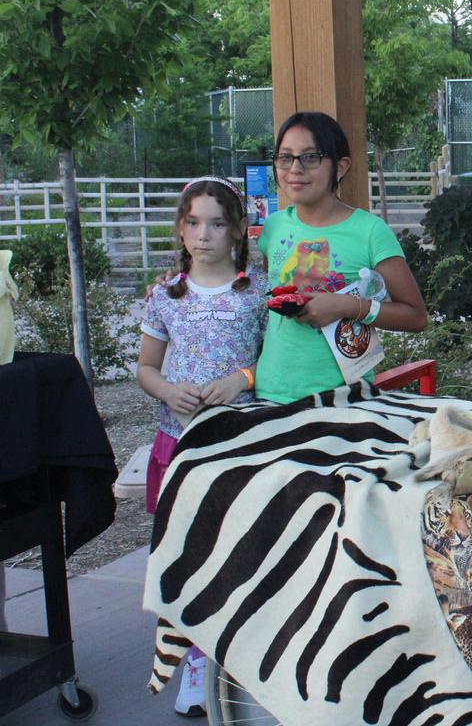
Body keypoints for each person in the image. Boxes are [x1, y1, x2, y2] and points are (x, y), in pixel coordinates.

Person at [136, 175, 268, 717]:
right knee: (188, 554)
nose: (203, 234)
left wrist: (242, 378)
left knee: (241, 551)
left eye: (216, 223)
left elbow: (276, 360)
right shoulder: (165, 295)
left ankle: (242, 658)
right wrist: (168, 390)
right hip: (181, 446)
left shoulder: (257, 292)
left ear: (237, 230)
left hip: (242, 444)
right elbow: (146, 367)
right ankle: (193, 658)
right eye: (193, 222)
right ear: (180, 229)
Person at [255, 111, 427, 403]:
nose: (295, 168)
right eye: (285, 157)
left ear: (341, 166)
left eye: (310, 157)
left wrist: (347, 306)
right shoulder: (273, 227)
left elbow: (416, 317)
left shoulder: (370, 232)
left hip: (344, 398)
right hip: (271, 393)